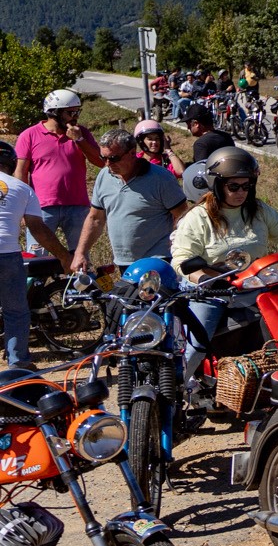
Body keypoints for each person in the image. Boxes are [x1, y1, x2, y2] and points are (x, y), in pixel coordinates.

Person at [171, 147, 278, 364]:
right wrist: (204, 279)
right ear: (217, 184)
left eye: (247, 185)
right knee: (195, 348)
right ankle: (177, 389)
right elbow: (181, 259)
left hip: (255, 287)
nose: (241, 192)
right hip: (212, 293)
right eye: (234, 186)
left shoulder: (257, 209)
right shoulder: (198, 217)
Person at [73, 130, 188, 270]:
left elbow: (183, 216)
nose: (108, 164)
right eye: (103, 158)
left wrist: (178, 249)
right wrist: (80, 253)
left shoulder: (161, 178)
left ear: (132, 153)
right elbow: (95, 219)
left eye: (113, 158)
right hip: (123, 262)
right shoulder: (104, 176)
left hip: (157, 260)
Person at [14, 89, 104, 254]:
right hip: (40, 207)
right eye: (71, 112)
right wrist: (21, 206)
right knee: (37, 257)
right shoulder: (29, 135)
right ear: (54, 112)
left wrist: (80, 140)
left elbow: (100, 162)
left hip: (77, 206)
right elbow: (20, 173)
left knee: (80, 258)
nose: (75, 116)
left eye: (78, 111)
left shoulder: (81, 133)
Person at [0, 160, 68, 365]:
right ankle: (18, 363)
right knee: (16, 312)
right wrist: (64, 256)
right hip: (7, 255)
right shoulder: (22, 188)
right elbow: (38, 230)